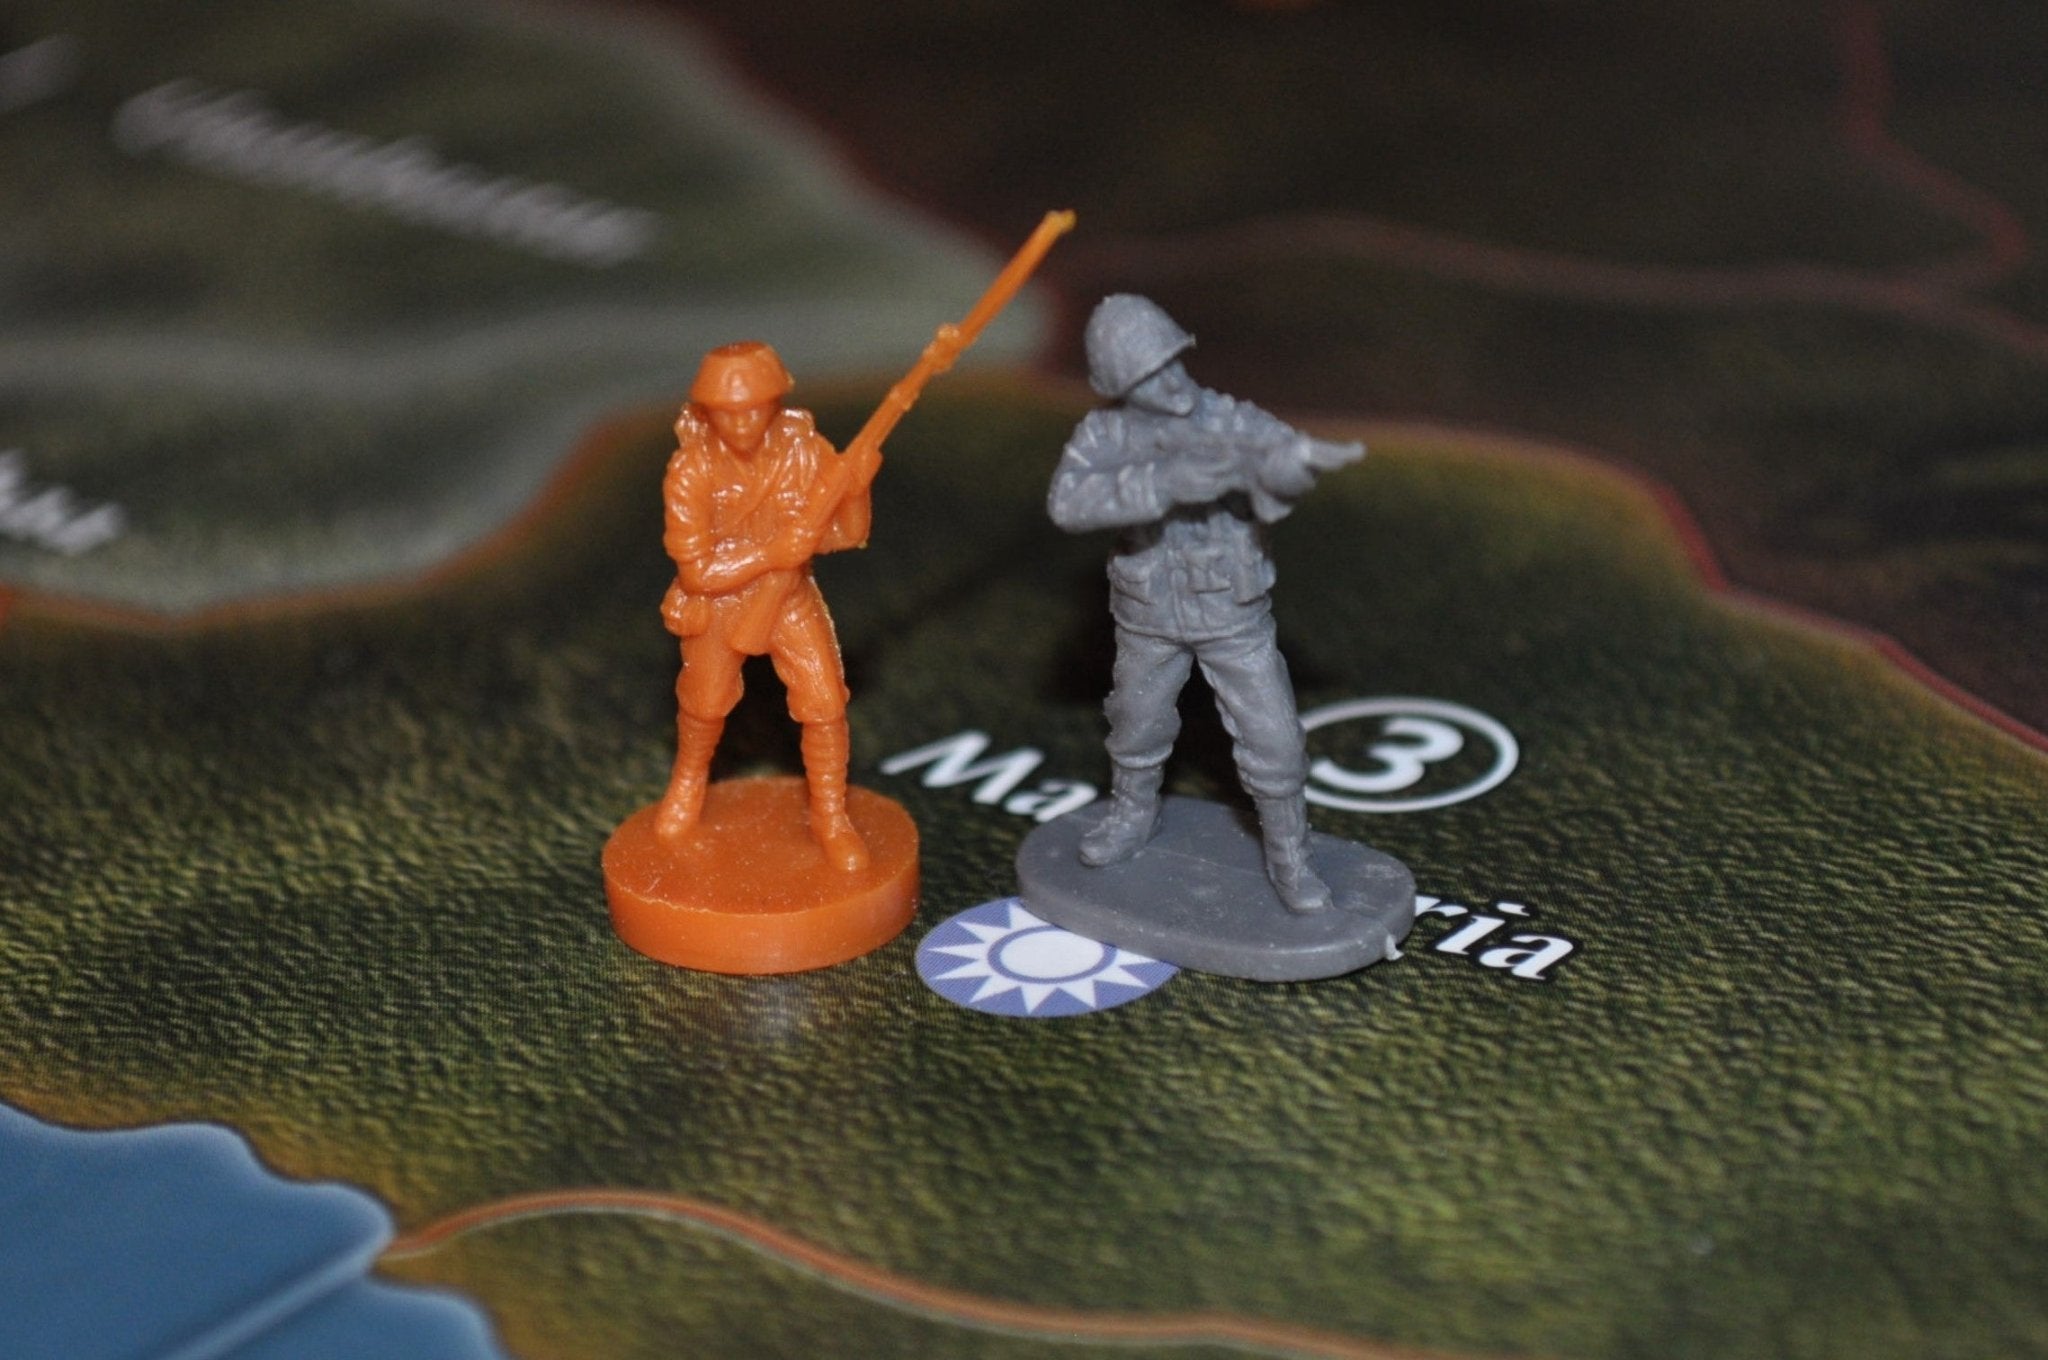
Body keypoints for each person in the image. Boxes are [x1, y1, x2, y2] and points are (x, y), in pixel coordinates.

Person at [1048, 294, 1363, 913]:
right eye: (1150, 375)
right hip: (1148, 616)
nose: (1171, 381)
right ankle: (1131, 816)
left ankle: (1290, 856)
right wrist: (1162, 484)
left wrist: (1296, 465)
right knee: (1136, 723)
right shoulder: (1105, 433)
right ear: (1121, 386)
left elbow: (1277, 460)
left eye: (1172, 362)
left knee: (1274, 740)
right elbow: (1067, 502)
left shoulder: (1230, 420)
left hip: (1231, 613)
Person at [653, 340, 870, 872]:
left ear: (775, 403)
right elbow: (697, 572)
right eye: (728, 412)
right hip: (719, 603)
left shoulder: (805, 451)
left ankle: (831, 817)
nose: (742, 423)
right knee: (705, 704)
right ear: (707, 412)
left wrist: (857, 489)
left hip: (790, 597)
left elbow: (846, 536)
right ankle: (687, 784)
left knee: (825, 703)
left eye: (754, 409)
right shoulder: (690, 470)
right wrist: (771, 553)